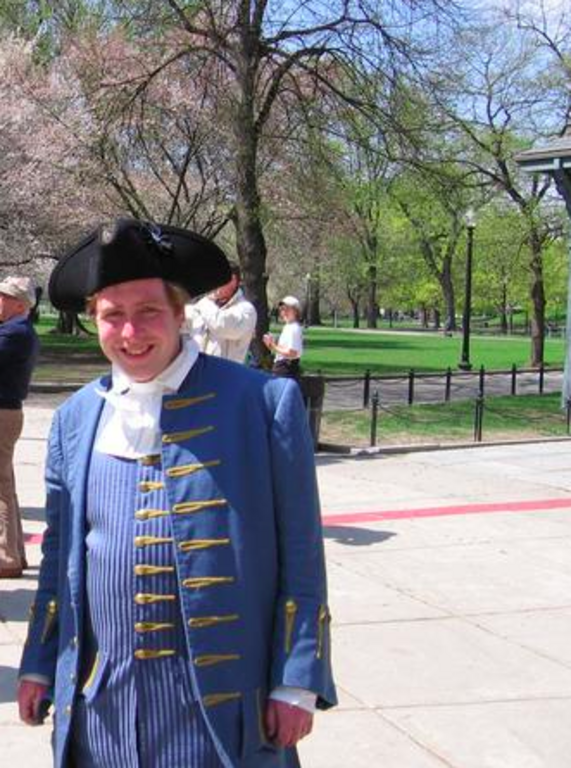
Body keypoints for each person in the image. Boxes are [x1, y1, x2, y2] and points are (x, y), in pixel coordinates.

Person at [18, 218, 336, 768]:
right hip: (103, 707)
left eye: (148, 312)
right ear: (94, 319)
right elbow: (59, 558)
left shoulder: (263, 405)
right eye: (112, 315)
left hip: (217, 708)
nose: (130, 332)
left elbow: (302, 555)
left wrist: (296, 679)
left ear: (179, 314)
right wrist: (39, 663)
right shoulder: (76, 418)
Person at [0, 275, 39, 579]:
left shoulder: (14, 333)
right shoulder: (18, 330)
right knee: (6, 485)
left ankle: (6, 556)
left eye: (3, 296)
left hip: (3, 412)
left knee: (1, 487)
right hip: (8, 412)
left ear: (19, 304)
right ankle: (15, 553)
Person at [185, 261, 257, 363]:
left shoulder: (246, 310)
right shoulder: (203, 307)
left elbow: (220, 325)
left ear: (233, 280)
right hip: (198, 369)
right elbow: (177, 320)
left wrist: (206, 301)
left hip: (226, 372)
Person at [263, 297, 303, 380]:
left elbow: (292, 353)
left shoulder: (294, 328)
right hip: (282, 367)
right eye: (282, 309)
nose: (284, 312)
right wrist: (271, 345)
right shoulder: (288, 327)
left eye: (287, 309)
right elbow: (285, 350)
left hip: (286, 369)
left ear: (296, 311)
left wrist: (273, 346)